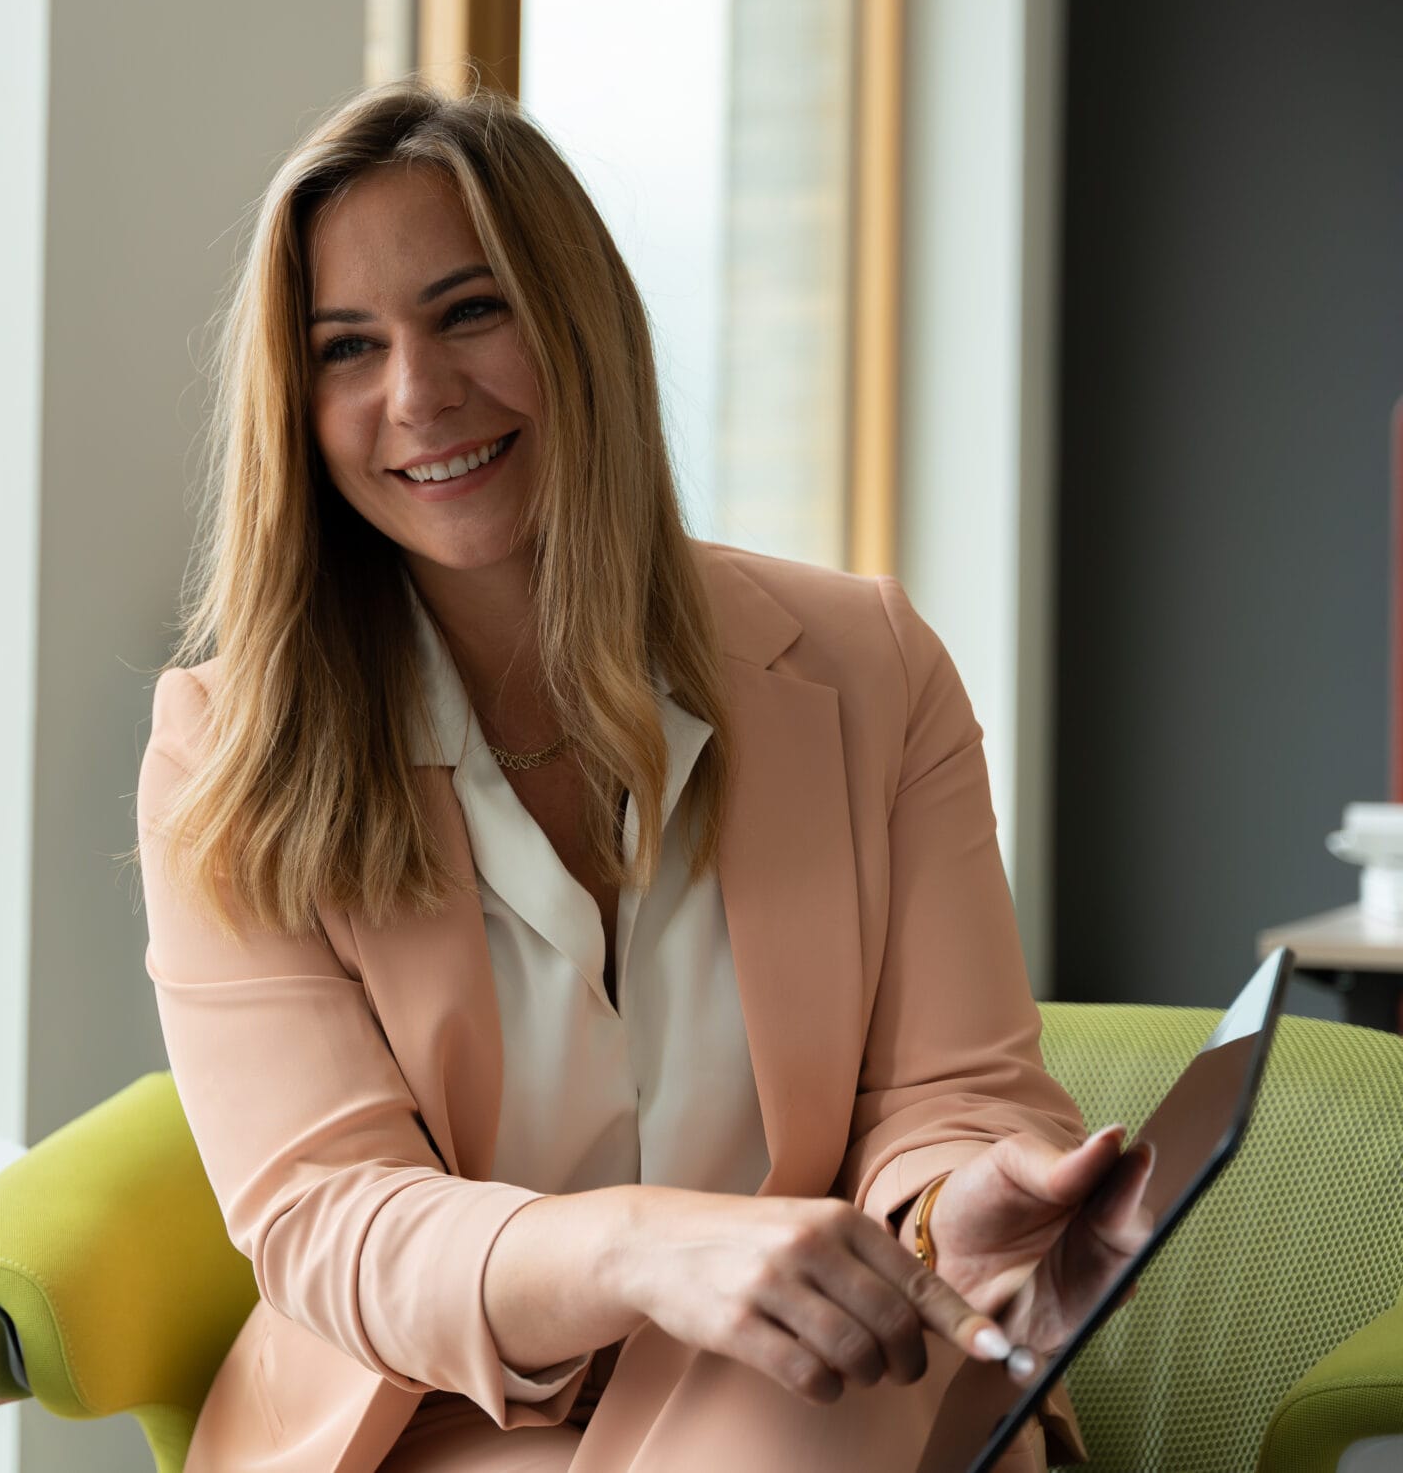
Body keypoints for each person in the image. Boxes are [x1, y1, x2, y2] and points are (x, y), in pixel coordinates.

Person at [136, 85, 1147, 1472]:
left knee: (820, 1386)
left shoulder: (870, 666)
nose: (419, 395)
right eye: (347, 349)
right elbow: (328, 1213)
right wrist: (647, 1252)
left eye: (471, 310)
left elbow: (954, 1087)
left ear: (582, 325)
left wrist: (942, 1214)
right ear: (295, 405)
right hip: (440, 1411)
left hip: (827, 1371)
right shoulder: (226, 745)